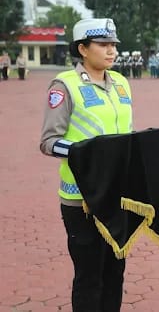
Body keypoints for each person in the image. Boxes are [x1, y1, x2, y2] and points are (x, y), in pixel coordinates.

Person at [39, 18, 133, 312]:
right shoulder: (65, 85)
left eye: (113, 44)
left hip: (117, 196)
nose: (111, 50)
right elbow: (49, 141)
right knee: (89, 276)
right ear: (82, 48)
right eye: (103, 44)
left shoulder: (121, 83)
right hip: (81, 199)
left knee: (115, 273)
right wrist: (87, 153)